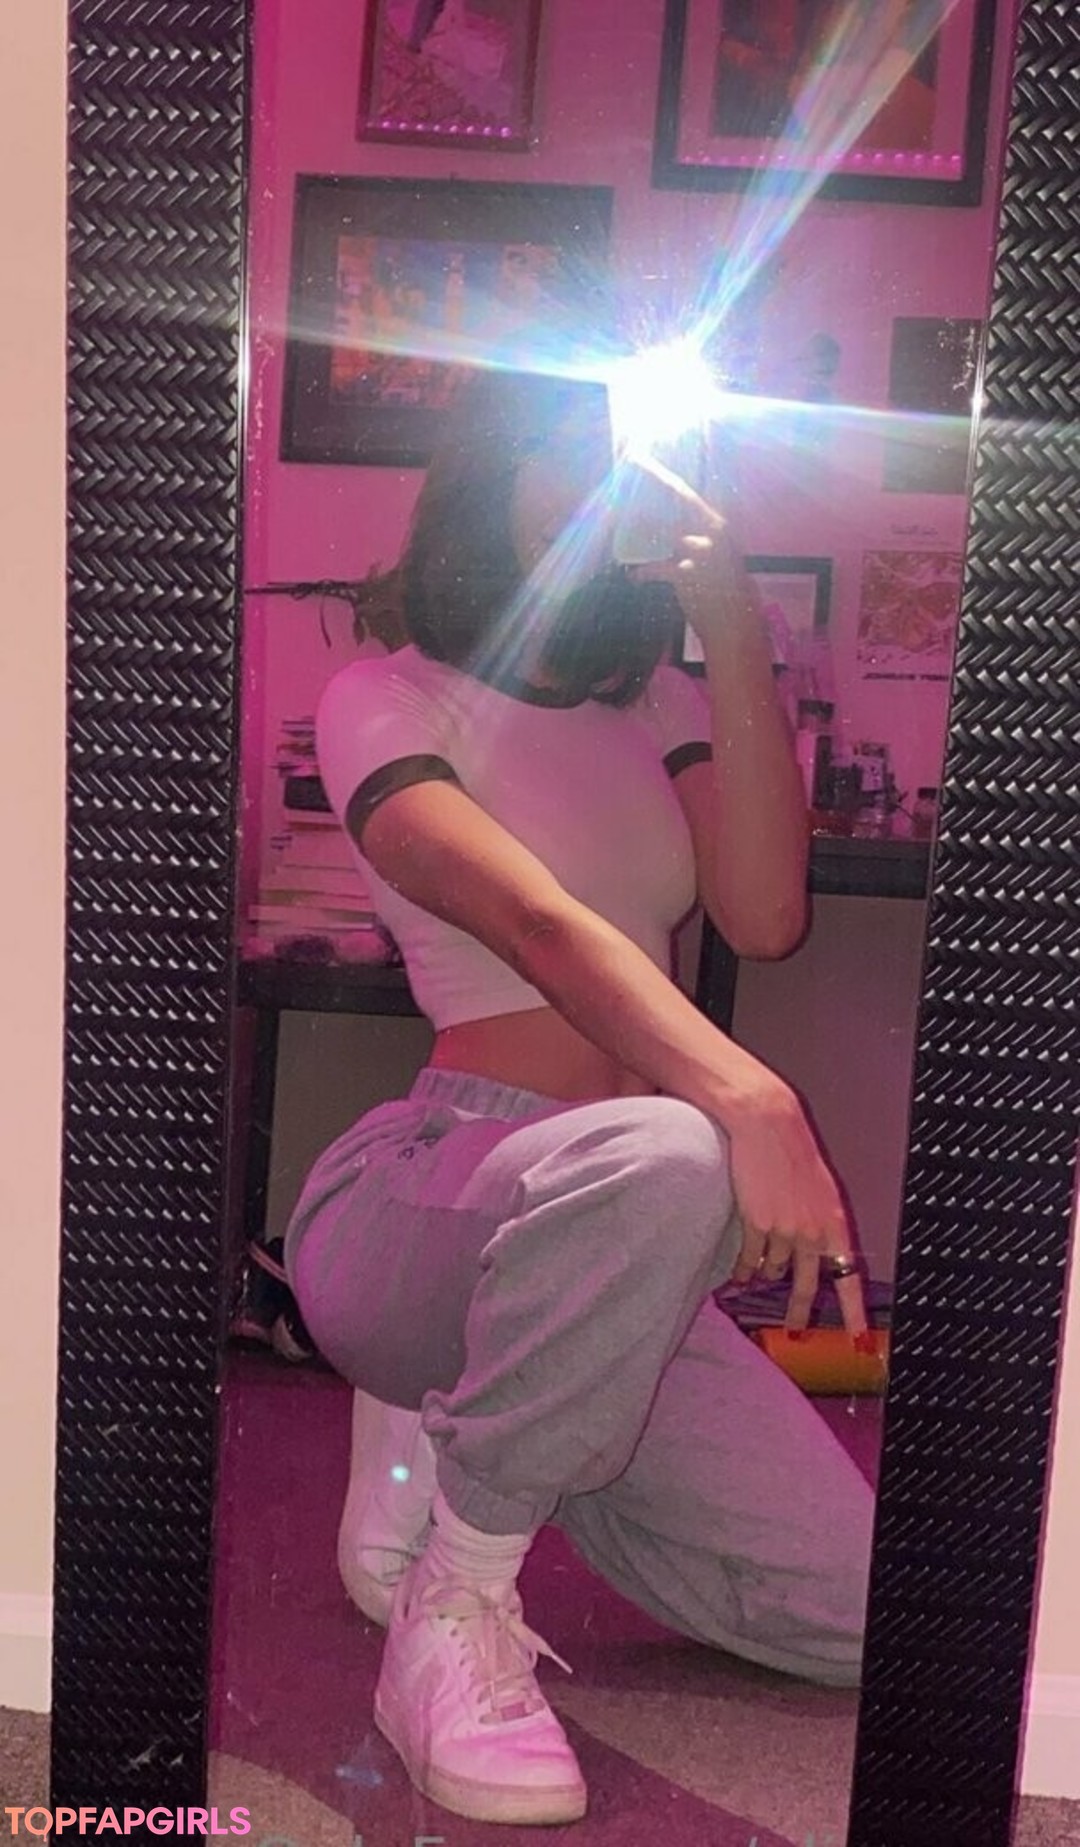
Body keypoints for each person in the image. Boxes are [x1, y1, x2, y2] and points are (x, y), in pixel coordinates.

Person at [283, 369, 875, 1827]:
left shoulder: (656, 703)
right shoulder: (384, 695)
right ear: (491, 478)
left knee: (871, 1613)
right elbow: (540, 926)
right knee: (670, 1151)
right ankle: (459, 1597)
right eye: (566, 449)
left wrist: (729, 615)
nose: (602, 480)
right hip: (441, 1187)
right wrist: (750, 1103)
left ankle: (508, 1418)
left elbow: (765, 914)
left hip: (630, 1235)